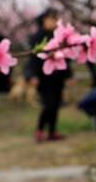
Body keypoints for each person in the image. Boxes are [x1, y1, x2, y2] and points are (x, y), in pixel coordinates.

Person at [24, 9, 73, 142]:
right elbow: (32, 59)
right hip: (43, 78)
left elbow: (65, 57)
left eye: (58, 20)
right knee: (49, 104)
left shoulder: (58, 36)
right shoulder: (36, 37)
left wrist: (69, 74)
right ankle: (39, 131)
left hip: (58, 76)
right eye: (54, 19)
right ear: (45, 19)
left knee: (56, 104)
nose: (57, 22)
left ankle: (52, 131)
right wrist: (31, 75)